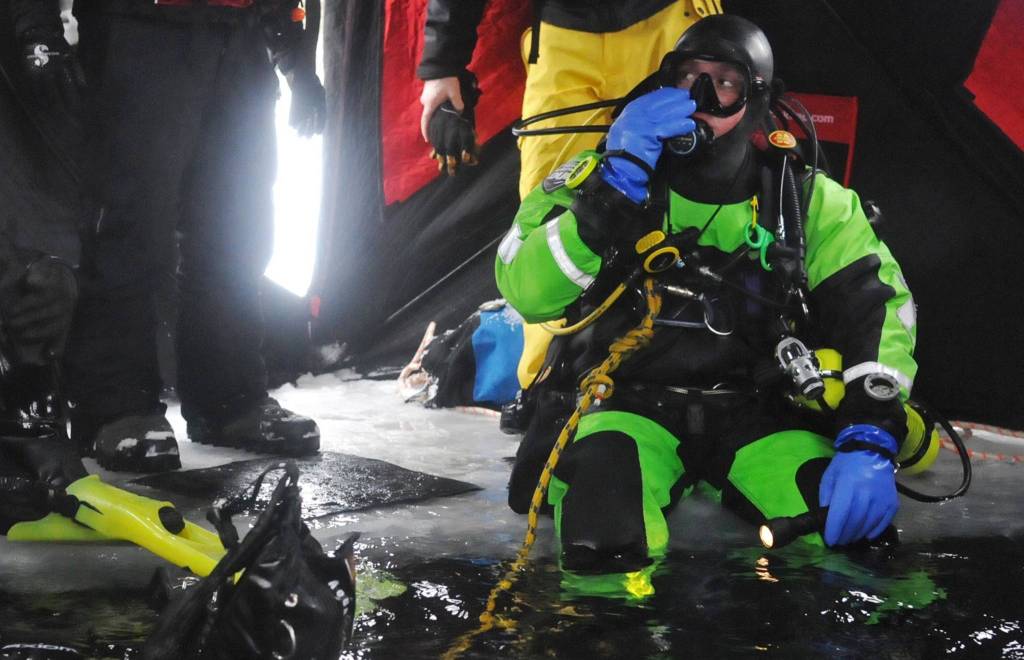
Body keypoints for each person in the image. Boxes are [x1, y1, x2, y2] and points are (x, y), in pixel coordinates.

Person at [495, 15, 917, 574]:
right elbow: (525, 289)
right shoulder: (599, 179)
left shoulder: (808, 201)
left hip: (756, 410)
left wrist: (869, 435)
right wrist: (609, 197)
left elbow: (879, 308)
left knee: (854, 540)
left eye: (723, 83)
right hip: (626, 404)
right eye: (687, 76)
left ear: (760, 100)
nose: (698, 97)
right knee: (602, 534)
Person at [8, 0, 327, 472]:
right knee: (128, 226)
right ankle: (114, 408)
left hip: (238, 31)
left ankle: (230, 399)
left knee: (237, 227)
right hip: (137, 28)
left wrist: (295, 54)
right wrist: (34, 26)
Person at [417, 0, 723, 198]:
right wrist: (442, 66)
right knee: (548, 213)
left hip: (669, 16)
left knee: (713, 177)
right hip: (566, 37)